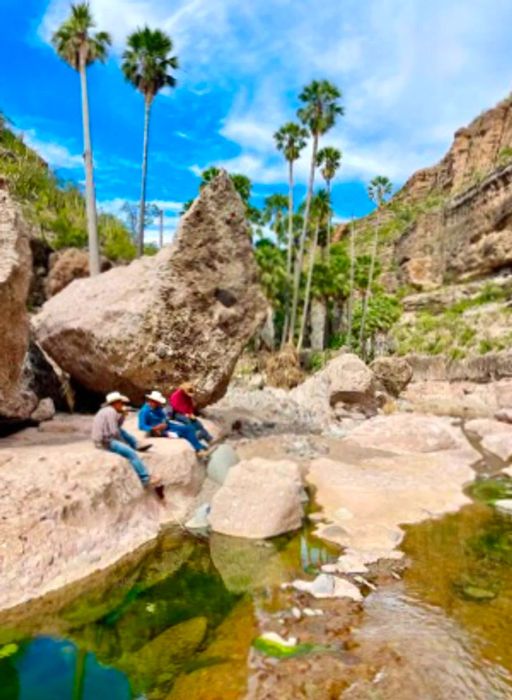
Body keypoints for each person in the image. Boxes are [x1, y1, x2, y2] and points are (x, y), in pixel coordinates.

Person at [92, 391, 158, 487]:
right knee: (132, 454)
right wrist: (123, 443)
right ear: (116, 403)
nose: (122, 405)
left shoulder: (105, 410)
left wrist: (122, 416)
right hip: (106, 442)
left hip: (102, 440)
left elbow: (117, 427)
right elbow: (113, 431)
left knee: (122, 432)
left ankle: (136, 444)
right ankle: (145, 478)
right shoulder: (111, 411)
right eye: (121, 403)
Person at [138, 390, 209, 453]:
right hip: (161, 431)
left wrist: (164, 422)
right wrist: (155, 428)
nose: (158, 404)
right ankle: (199, 448)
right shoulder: (144, 411)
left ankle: (199, 446)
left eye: (157, 402)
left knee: (189, 428)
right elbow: (141, 425)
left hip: (168, 425)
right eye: (156, 402)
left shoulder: (157, 408)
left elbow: (164, 417)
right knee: (180, 433)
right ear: (150, 400)